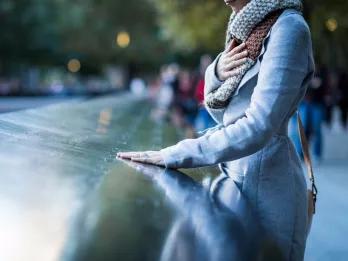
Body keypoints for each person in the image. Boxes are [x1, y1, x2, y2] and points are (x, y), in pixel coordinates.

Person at [118, 0, 314, 260]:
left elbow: (259, 125)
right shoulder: (246, 28)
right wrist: (217, 71)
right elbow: (221, 111)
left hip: (268, 189)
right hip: (233, 176)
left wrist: (177, 153)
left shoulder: (288, 28)